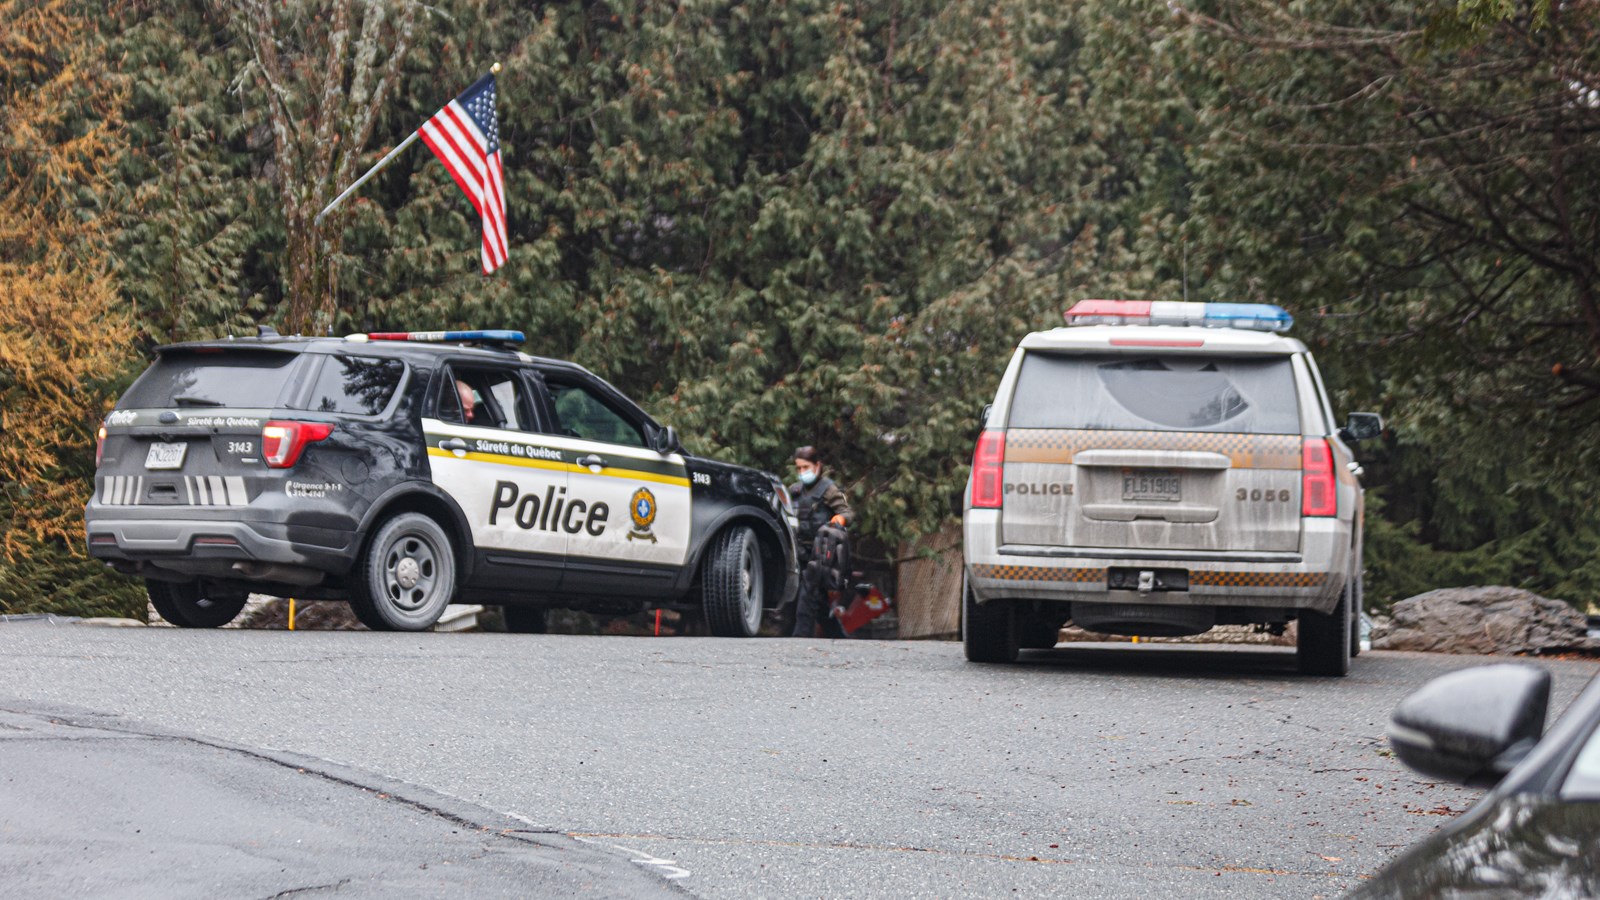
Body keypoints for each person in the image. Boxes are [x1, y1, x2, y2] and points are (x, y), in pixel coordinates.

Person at [789, 445, 855, 637]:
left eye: (806, 467)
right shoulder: (795, 490)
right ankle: (839, 637)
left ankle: (799, 640)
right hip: (799, 552)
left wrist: (839, 520)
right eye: (798, 468)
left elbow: (846, 512)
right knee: (819, 605)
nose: (802, 472)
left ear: (817, 465)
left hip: (821, 555)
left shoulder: (828, 489)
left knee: (807, 598)